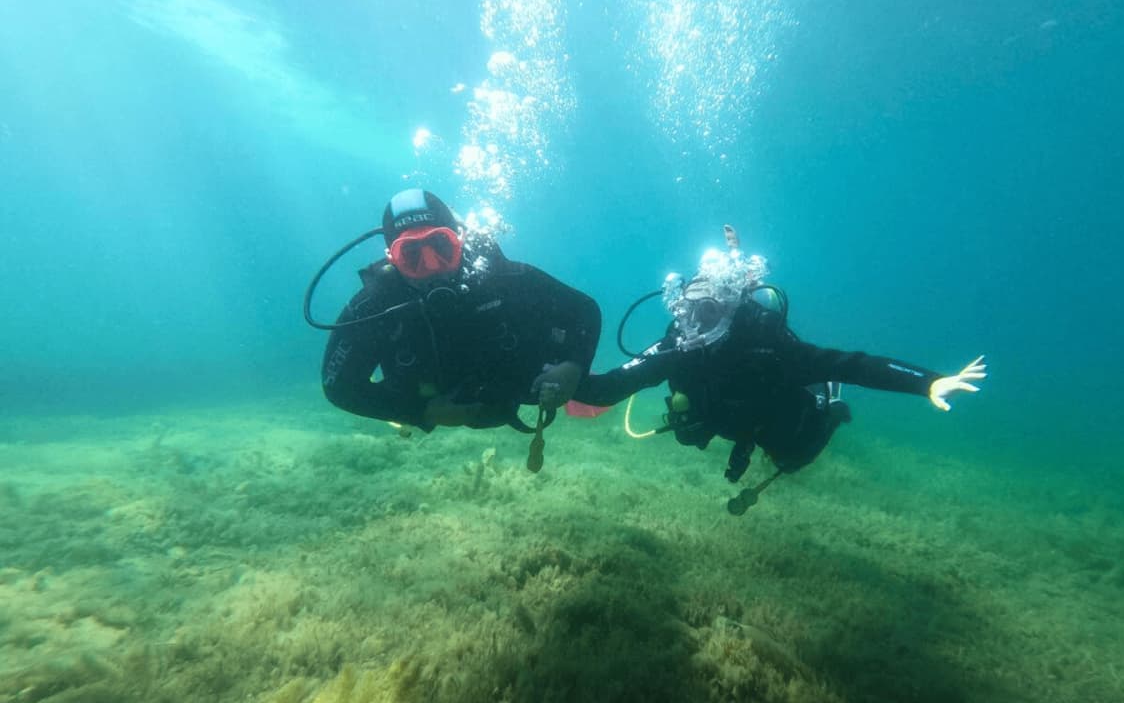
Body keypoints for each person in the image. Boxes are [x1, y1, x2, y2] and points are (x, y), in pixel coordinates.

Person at [572, 227, 987, 512]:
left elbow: (854, 365)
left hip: (775, 420)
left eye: (709, 310)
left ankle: (830, 405)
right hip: (726, 420)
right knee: (688, 428)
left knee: (795, 456)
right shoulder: (676, 345)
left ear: (731, 310)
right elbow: (611, 388)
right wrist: (550, 378)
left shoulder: (767, 346)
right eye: (688, 312)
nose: (695, 324)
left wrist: (927, 382)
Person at [310, 189, 600, 469]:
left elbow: (584, 310)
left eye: (441, 246)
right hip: (428, 397)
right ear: (391, 259)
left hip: (520, 388)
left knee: (605, 392)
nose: (432, 265)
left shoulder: (501, 277)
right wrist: (418, 411)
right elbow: (338, 387)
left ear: (460, 240)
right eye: (411, 255)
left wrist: (573, 366)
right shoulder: (375, 307)